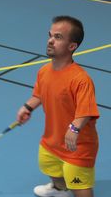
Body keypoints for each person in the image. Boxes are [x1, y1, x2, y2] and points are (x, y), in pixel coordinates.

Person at [17, 16, 99, 197]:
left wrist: (74, 128)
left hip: (77, 146)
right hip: (52, 140)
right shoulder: (44, 71)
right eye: (50, 35)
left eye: (58, 37)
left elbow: (86, 111)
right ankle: (60, 189)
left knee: (79, 186)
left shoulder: (80, 79)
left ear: (72, 46)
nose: (50, 41)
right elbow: (39, 94)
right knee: (50, 166)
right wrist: (27, 107)